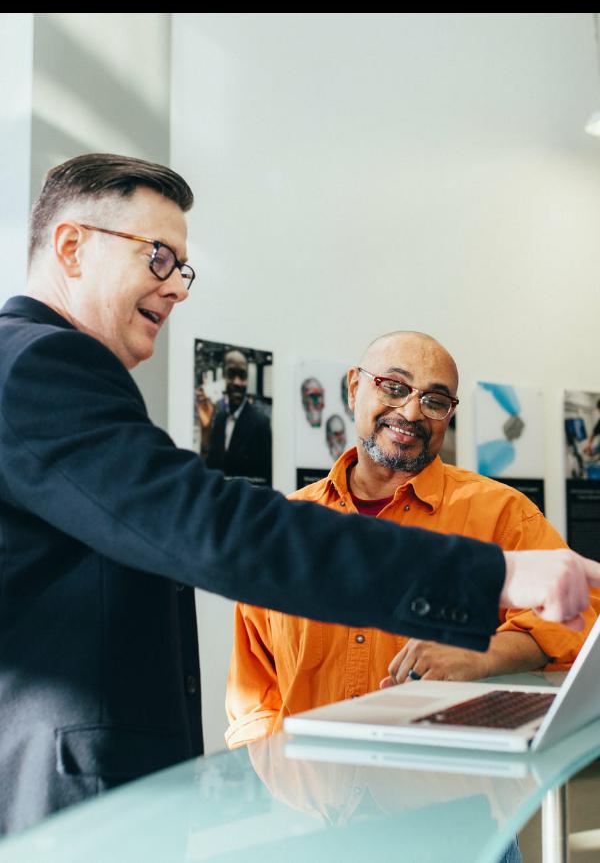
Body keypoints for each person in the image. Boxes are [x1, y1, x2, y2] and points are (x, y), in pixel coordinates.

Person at [1, 160, 598, 836]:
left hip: (447, 812)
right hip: (101, 802)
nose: (177, 287)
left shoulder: (499, 509)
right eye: (158, 256)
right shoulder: (41, 366)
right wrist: (495, 575)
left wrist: (487, 651)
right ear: (71, 247)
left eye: (182, 268)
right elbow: (217, 536)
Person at [226, 331, 600, 747]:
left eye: (434, 401)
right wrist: (273, 774)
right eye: (394, 387)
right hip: (309, 782)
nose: (410, 412)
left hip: (443, 778)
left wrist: (482, 653)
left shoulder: (501, 513)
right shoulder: (287, 528)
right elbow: (254, 697)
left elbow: (582, 619)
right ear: (354, 387)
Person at [206, 349, 272, 482]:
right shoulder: (219, 419)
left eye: (242, 375)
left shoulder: (261, 423)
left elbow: (266, 478)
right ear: (224, 376)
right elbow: (211, 467)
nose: (237, 382)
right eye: (231, 374)